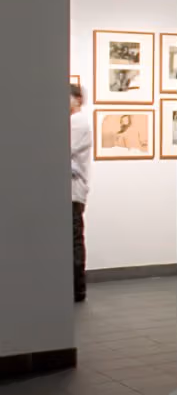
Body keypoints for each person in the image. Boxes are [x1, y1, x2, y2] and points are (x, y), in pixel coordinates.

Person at [70, 84, 92, 303]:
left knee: (73, 239)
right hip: (72, 191)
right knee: (73, 238)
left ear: (78, 99)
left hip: (73, 192)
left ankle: (77, 289)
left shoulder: (77, 122)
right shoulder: (73, 122)